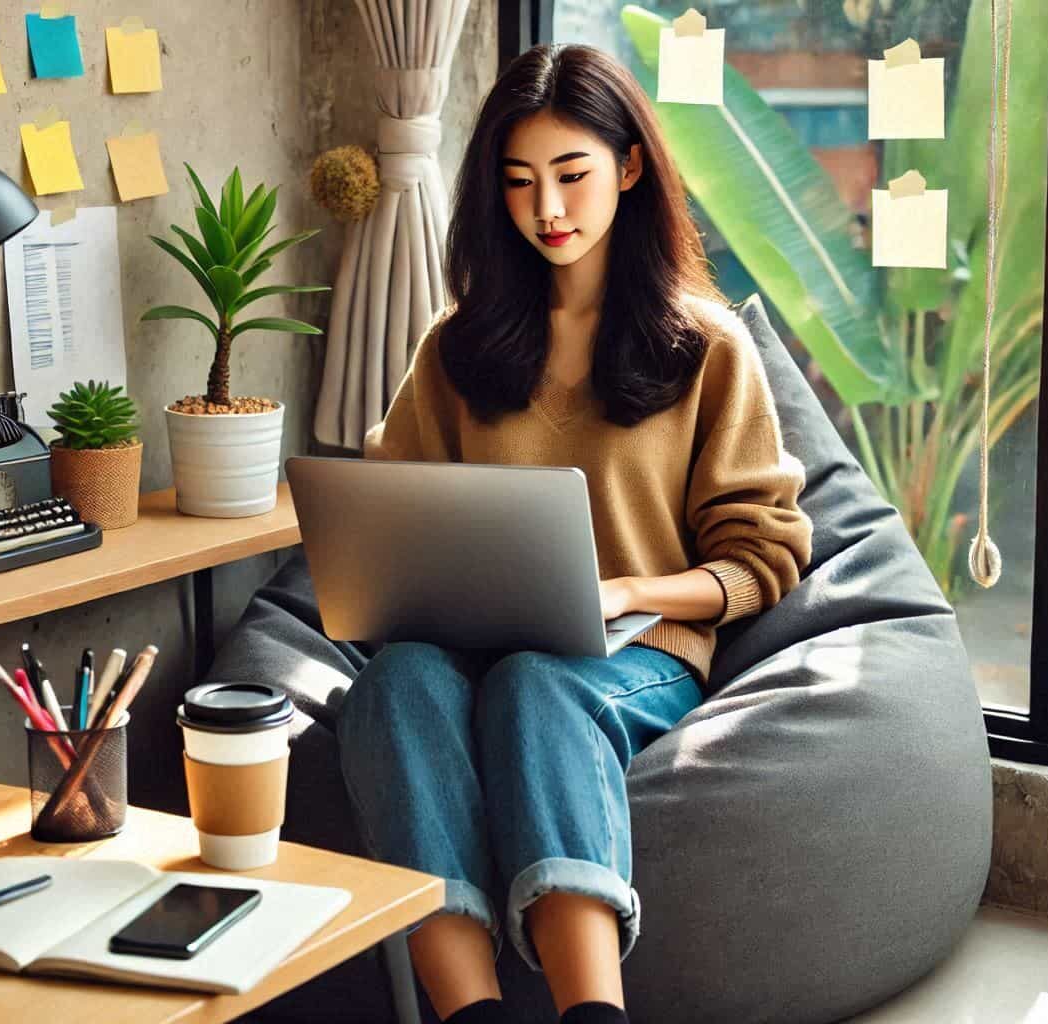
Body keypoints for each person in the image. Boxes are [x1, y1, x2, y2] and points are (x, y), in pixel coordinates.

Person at [336, 43, 814, 1024]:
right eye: (518, 184)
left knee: (535, 686)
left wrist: (629, 592)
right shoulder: (457, 343)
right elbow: (391, 512)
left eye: (571, 174)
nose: (546, 208)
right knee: (394, 685)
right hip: (471, 640)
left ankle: (592, 1012)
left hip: (633, 651)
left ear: (630, 167)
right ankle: (470, 1013)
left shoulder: (705, 347)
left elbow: (762, 558)